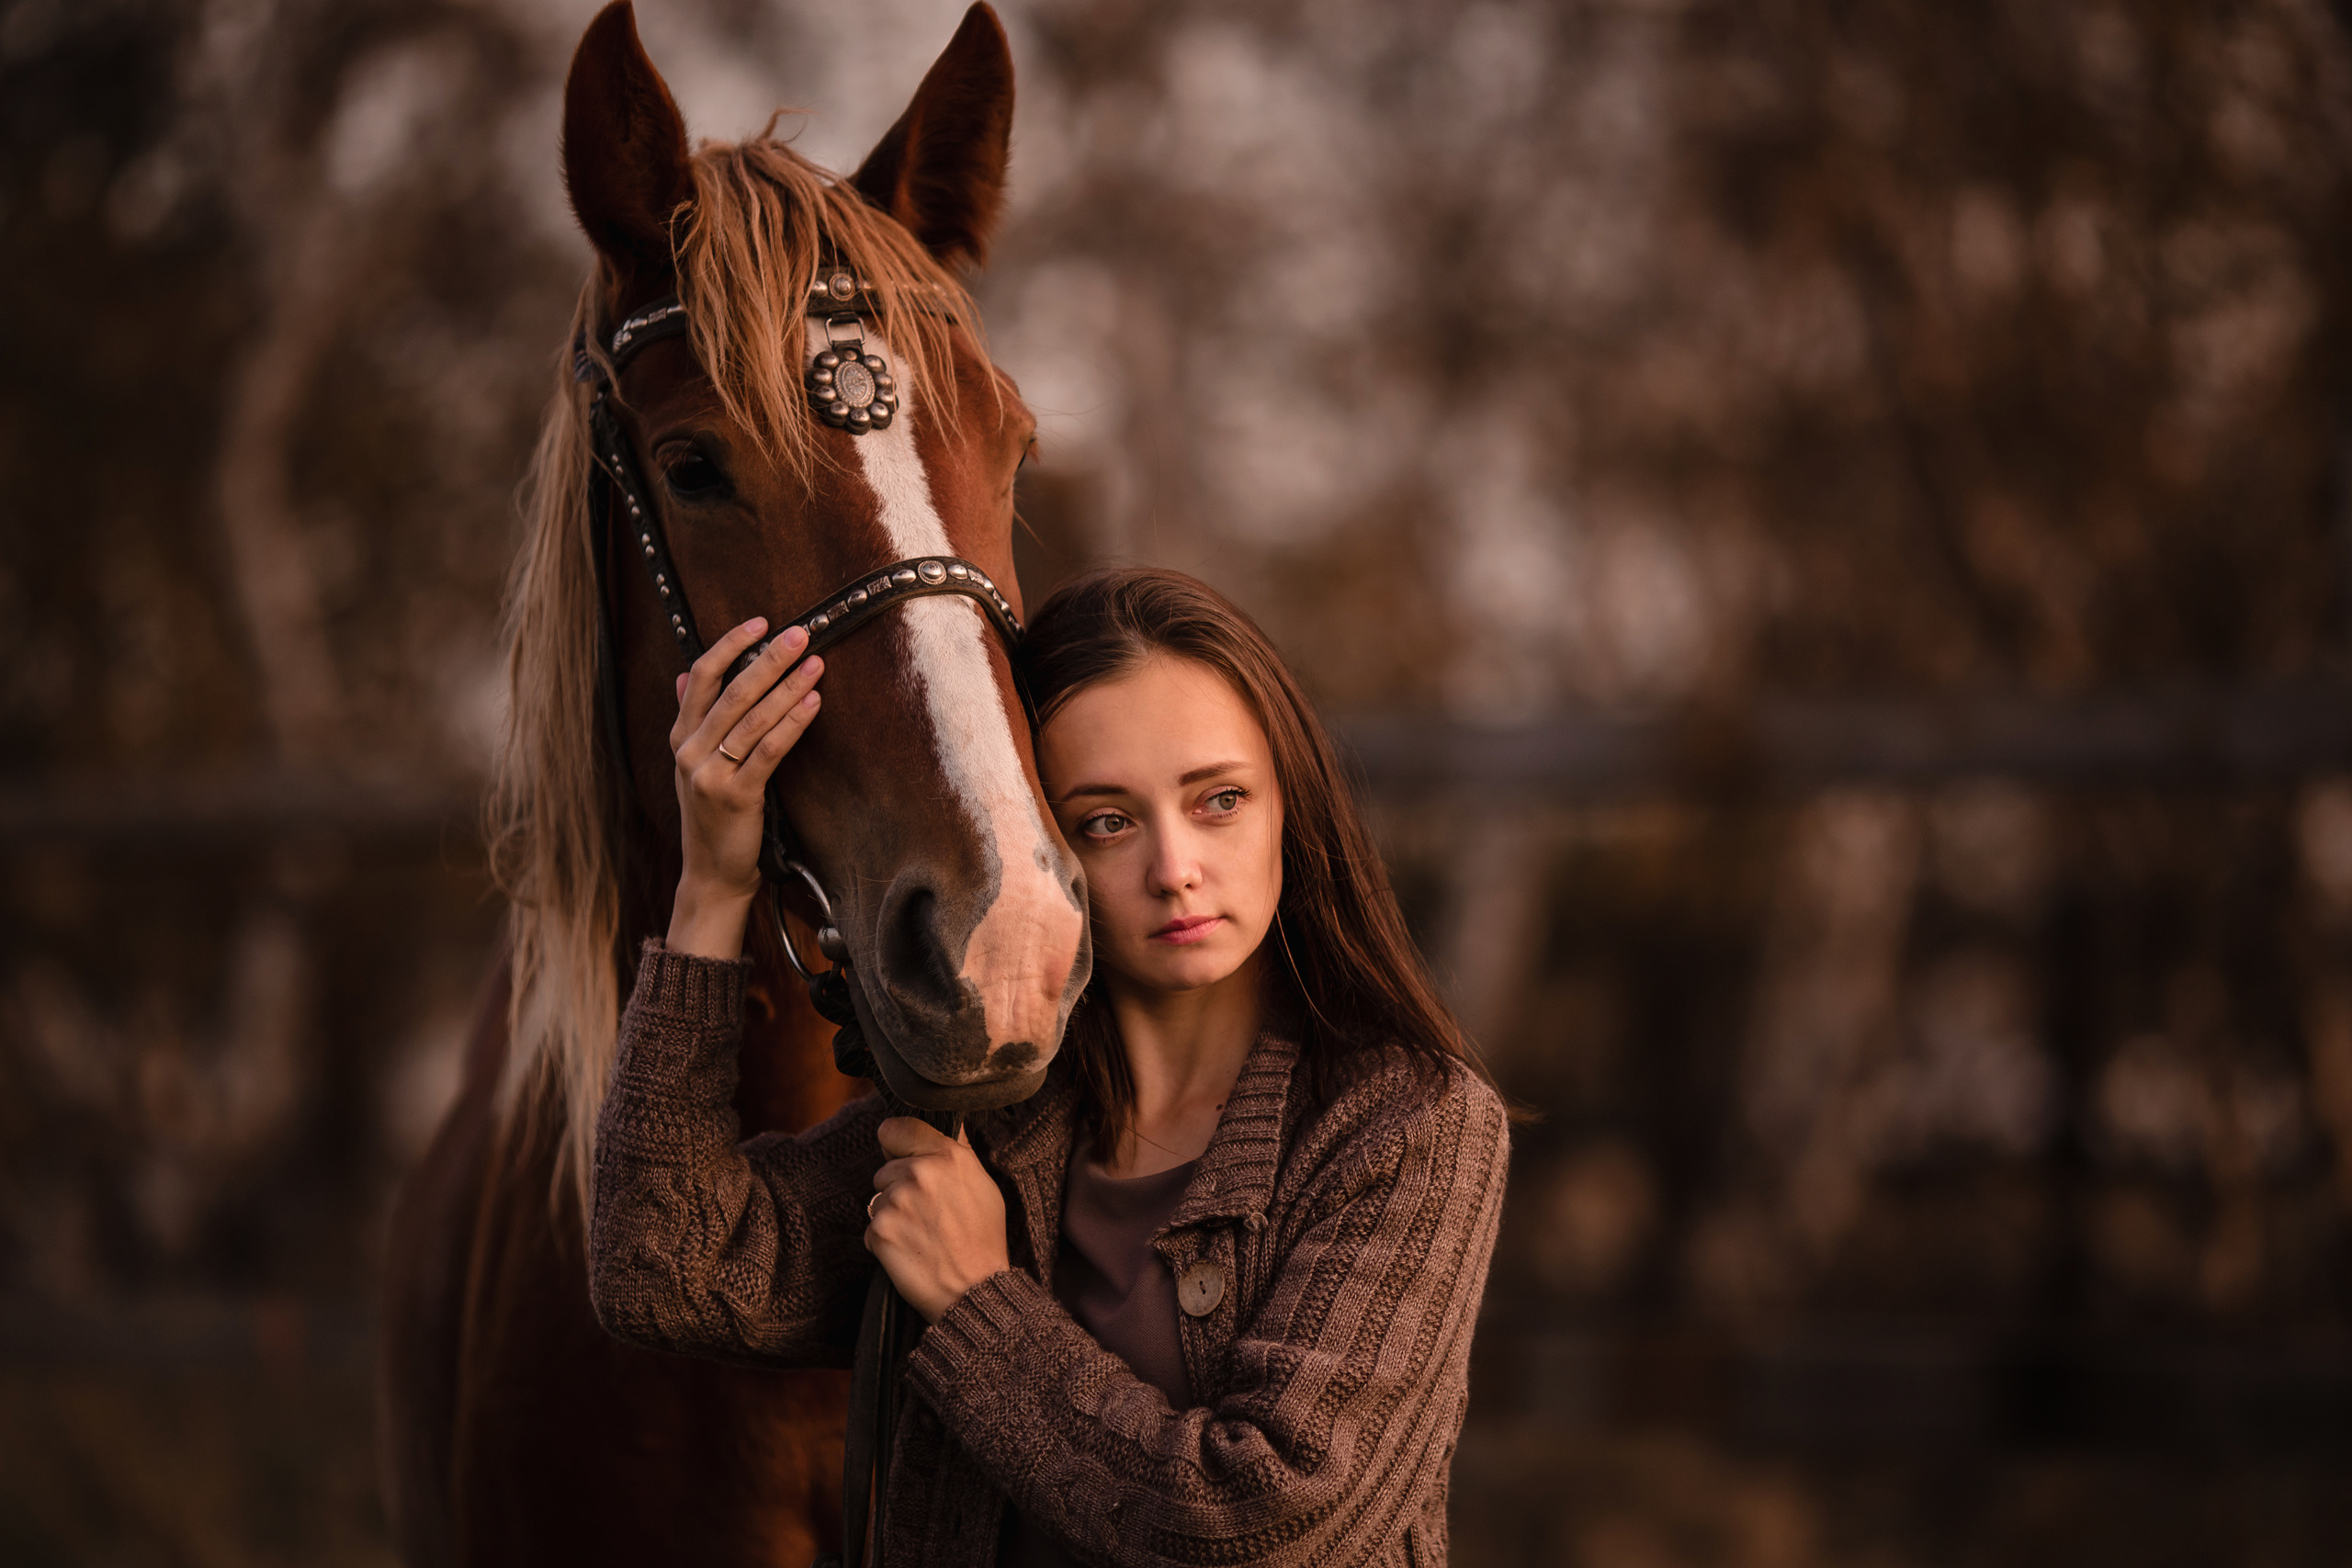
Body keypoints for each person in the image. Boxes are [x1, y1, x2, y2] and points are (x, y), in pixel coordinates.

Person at [587, 566, 1510, 1567]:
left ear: (1291, 805)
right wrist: (714, 883)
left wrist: (977, 1304)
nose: (1173, 869)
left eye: (1220, 800)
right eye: (1105, 822)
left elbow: (1263, 1525)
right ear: (1038, 844)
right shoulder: (989, 1117)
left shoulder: (1405, 1123)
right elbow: (663, 1269)